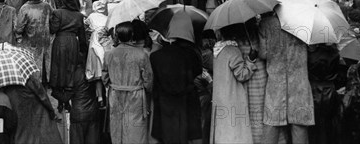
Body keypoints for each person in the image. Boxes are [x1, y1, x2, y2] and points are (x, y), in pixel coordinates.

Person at [259, 14, 315, 144]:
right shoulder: (303, 21)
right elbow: (312, 48)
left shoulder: (266, 23)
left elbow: (263, 53)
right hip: (299, 81)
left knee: (272, 122)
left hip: (276, 80)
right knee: (299, 123)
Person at [150, 11, 203, 144]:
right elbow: (197, 74)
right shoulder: (192, 55)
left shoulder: (155, 56)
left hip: (164, 104)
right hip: (187, 103)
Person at [102, 21, 153, 144]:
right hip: (136, 97)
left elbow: (104, 77)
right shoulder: (142, 54)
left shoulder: (109, 54)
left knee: (117, 128)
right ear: (132, 35)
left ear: (117, 36)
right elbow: (148, 80)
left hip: (115, 95)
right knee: (136, 130)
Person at [210, 25, 256, 144]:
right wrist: (250, 60)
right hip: (232, 98)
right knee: (234, 132)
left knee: (223, 131)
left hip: (220, 98)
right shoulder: (233, 50)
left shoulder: (217, 50)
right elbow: (242, 75)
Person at [49, 0, 88, 112]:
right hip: (72, 43)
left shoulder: (57, 13)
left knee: (59, 68)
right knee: (70, 69)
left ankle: (61, 101)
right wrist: (83, 52)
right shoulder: (79, 16)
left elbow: (52, 29)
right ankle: (68, 100)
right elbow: (82, 37)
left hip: (60, 42)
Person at [3, 72, 63, 144]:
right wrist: (51, 111)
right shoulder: (27, 78)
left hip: (20, 119)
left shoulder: (6, 85)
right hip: (37, 115)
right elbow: (43, 96)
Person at [15, 0, 53, 85]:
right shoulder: (47, 6)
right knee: (45, 60)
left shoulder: (25, 8)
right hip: (45, 39)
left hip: (30, 40)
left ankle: (33, 82)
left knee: (32, 63)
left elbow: (19, 28)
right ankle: (45, 80)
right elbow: (53, 20)